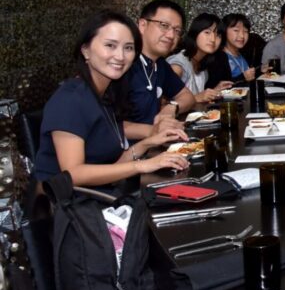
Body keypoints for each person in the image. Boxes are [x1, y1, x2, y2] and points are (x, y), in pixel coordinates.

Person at [35, 11, 190, 185]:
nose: (120, 56)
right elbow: (73, 174)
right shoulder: (70, 99)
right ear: (85, 50)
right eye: (110, 45)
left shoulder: (106, 93)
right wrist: (143, 165)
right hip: (68, 200)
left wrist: (148, 142)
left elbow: (113, 166)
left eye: (128, 48)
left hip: (103, 192)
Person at [125, 0, 196, 133]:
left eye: (177, 30)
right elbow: (108, 125)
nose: (171, 35)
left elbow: (188, 97)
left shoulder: (160, 64)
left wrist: (172, 107)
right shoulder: (123, 63)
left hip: (155, 143)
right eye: (164, 25)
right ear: (142, 25)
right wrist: (154, 130)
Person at [168, 13, 234, 103]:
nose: (213, 39)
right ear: (195, 33)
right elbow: (160, 104)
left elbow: (198, 97)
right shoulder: (178, 65)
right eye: (207, 32)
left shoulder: (202, 66)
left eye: (218, 35)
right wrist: (195, 98)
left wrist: (214, 91)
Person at [220, 13, 257, 82]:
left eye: (245, 31)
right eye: (236, 30)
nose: (242, 36)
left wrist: (261, 70)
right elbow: (221, 85)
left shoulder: (244, 53)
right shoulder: (219, 58)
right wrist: (243, 77)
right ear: (224, 31)